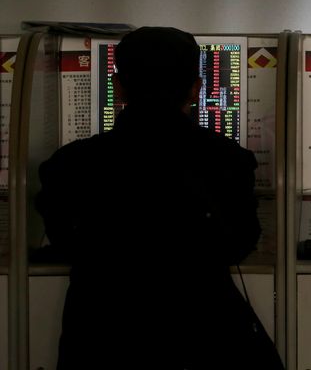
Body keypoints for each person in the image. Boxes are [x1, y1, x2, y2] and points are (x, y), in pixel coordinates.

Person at [36, 27, 284, 369]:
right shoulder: (228, 159)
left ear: (118, 86)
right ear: (196, 89)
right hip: (203, 339)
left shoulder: (70, 164)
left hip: (99, 342)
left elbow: (65, 242)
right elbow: (239, 244)